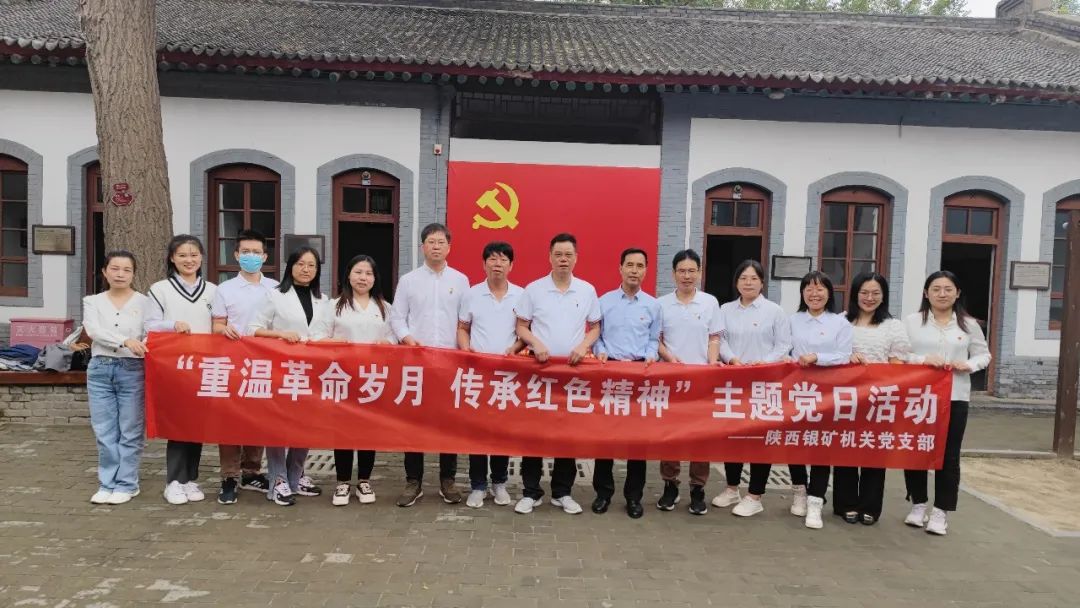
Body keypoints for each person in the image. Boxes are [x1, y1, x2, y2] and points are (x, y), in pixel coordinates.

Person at [514, 233, 602, 515]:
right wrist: (535, 342)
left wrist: (584, 346)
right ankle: (531, 492)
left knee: (567, 433)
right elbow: (521, 325)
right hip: (539, 372)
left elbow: (595, 327)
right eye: (558, 254)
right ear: (549, 257)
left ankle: (562, 492)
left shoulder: (586, 290)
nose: (563, 259)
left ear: (576, 258)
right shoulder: (534, 289)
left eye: (568, 255)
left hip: (572, 374)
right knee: (534, 433)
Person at [902, 270, 990, 536]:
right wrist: (922, 360)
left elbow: (983, 354)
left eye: (948, 289)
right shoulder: (912, 322)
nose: (942, 294)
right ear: (926, 293)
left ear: (957, 293)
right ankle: (918, 504)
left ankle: (941, 511)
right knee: (916, 450)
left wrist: (969, 365)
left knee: (949, 456)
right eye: (936, 289)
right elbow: (900, 354)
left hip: (955, 397)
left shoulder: (968, 325)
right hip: (919, 398)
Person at [390, 223, 470, 507]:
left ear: (449, 247)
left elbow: (465, 320)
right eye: (431, 242)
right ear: (422, 246)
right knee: (414, 423)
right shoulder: (409, 280)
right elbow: (397, 317)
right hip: (416, 363)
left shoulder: (461, 280)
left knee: (449, 423)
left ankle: (448, 480)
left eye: (441, 242)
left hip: (450, 362)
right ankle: (413, 481)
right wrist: (407, 339)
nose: (436, 247)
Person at [311, 254, 396, 507]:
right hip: (342, 377)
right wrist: (336, 343)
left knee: (369, 430)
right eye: (358, 272)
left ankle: (364, 480)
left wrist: (387, 342)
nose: (363, 278)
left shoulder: (385, 307)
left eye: (368, 273)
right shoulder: (334, 306)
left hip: (372, 379)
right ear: (348, 275)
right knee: (344, 430)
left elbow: (394, 337)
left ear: (375, 278)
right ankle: (342, 481)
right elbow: (316, 336)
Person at [249, 246, 327, 506]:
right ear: (290, 266)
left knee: (305, 424)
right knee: (278, 426)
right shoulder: (274, 295)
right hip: (280, 370)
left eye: (312, 265)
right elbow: (254, 329)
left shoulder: (323, 300)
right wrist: (280, 334)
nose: (306, 269)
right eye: (300, 264)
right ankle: (278, 479)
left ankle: (296, 475)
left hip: (311, 372)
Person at [832, 272, 912, 525]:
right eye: (864, 292)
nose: (869, 298)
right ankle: (845, 504)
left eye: (876, 293)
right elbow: (831, 353)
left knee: (874, 452)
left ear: (883, 296)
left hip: (879, 399)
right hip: (846, 398)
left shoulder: (893, 326)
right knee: (845, 449)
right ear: (855, 294)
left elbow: (898, 363)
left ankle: (870, 506)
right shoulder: (841, 321)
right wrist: (846, 356)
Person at [714, 259, 791, 517]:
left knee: (760, 439)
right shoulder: (725, 309)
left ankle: (755, 495)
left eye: (753, 278)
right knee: (733, 436)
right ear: (736, 282)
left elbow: (783, 345)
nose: (748, 283)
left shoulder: (774, 311)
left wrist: (764, 363)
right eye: (743, 278)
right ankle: (731, 488)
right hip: (734, 382)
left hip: (764, 384)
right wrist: (732, 359)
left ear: (762, 283)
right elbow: (720, 339)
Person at [145, 235, 217, 505]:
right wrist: (172, 324)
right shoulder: (160, 289)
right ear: (172, 258)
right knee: (178, 423)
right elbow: (149, 325)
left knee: (196, 424)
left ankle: (190, 478)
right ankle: (174, 480)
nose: (189, 260)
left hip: (204, 366)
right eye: (183, 255)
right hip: (174, 366)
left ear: (202, 257)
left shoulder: (212, 290)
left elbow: (218, 323)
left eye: (194, 254)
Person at [591, 247, 660, 519]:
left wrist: (652, 355)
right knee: (605, 438)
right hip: (610, 374)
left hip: (640, 377)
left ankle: (634, 497)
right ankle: (603, 493)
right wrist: (600, 352)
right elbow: (597, 336)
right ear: (620, 268)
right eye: (629, 265)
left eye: (639, 266)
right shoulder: (604, 301)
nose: (634, 270)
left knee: (637, 441)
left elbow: (654, 339)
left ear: (646, 271)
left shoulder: (653, 305)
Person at [210, 229, 278, 505]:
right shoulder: (224, 289)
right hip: (232, 362)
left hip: (264, 363)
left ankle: (252, 471)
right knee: (230, 420)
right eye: (246, 252)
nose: (251, 256)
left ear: (265, 256)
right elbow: (217, 324)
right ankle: (229, 475)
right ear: (236, 255)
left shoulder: (275, 288)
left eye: (256, 252)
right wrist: (223, 330)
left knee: (257, 418)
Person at [457, 241, 525, 509]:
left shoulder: (521, 295)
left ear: (512, 265)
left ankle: (499, 482)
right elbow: (463, 328)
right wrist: (466, 349)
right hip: (478, 373)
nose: (498, 264)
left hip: (508, 375)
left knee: (501, 431)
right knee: (477, 431)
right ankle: (477, 485)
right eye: (493, 259)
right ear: (484, 264)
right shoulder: (472, 294)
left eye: (503, 259)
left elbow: (525, 331)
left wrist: (515, 349)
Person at [656, 249, 723, 516]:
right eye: (682, 271)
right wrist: (670, 360)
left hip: (701, 381)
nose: (687, 276)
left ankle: (698, 489)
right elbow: (656, 340)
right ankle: (670, 485)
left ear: (699, 272)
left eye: (691, 271)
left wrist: (713, 363)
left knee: (700, 438)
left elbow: (714, 338)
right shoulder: (661, 304)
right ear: (673, 274)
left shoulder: (710, 303)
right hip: (670, 380)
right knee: (670, 436)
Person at [788, 270, 853, 530]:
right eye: (809, 289)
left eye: (820, 288)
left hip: (827, 393)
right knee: (795, 442)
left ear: (829, 293)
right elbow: (784, 349)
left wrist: (818, 357)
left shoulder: (840, 323)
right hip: (796, 391)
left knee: (820, 444)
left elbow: (844, 355)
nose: (814, 294)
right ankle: (799, 490)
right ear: (802, 293)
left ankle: (816, 500)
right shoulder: (792, 320)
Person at [82, 251, 149, 505]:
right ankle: (107, 483)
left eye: (126, 270)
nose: (120, 274)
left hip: (132, 369)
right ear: (105, 271)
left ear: (133, 274)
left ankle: (127, 483)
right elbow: (94, 331)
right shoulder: (93, 301)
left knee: (130, 430)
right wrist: (125, 341)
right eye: (115, 269)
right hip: (100, 369)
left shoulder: (145, 303)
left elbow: (150, 333)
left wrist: (142, 343)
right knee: (104, 430)